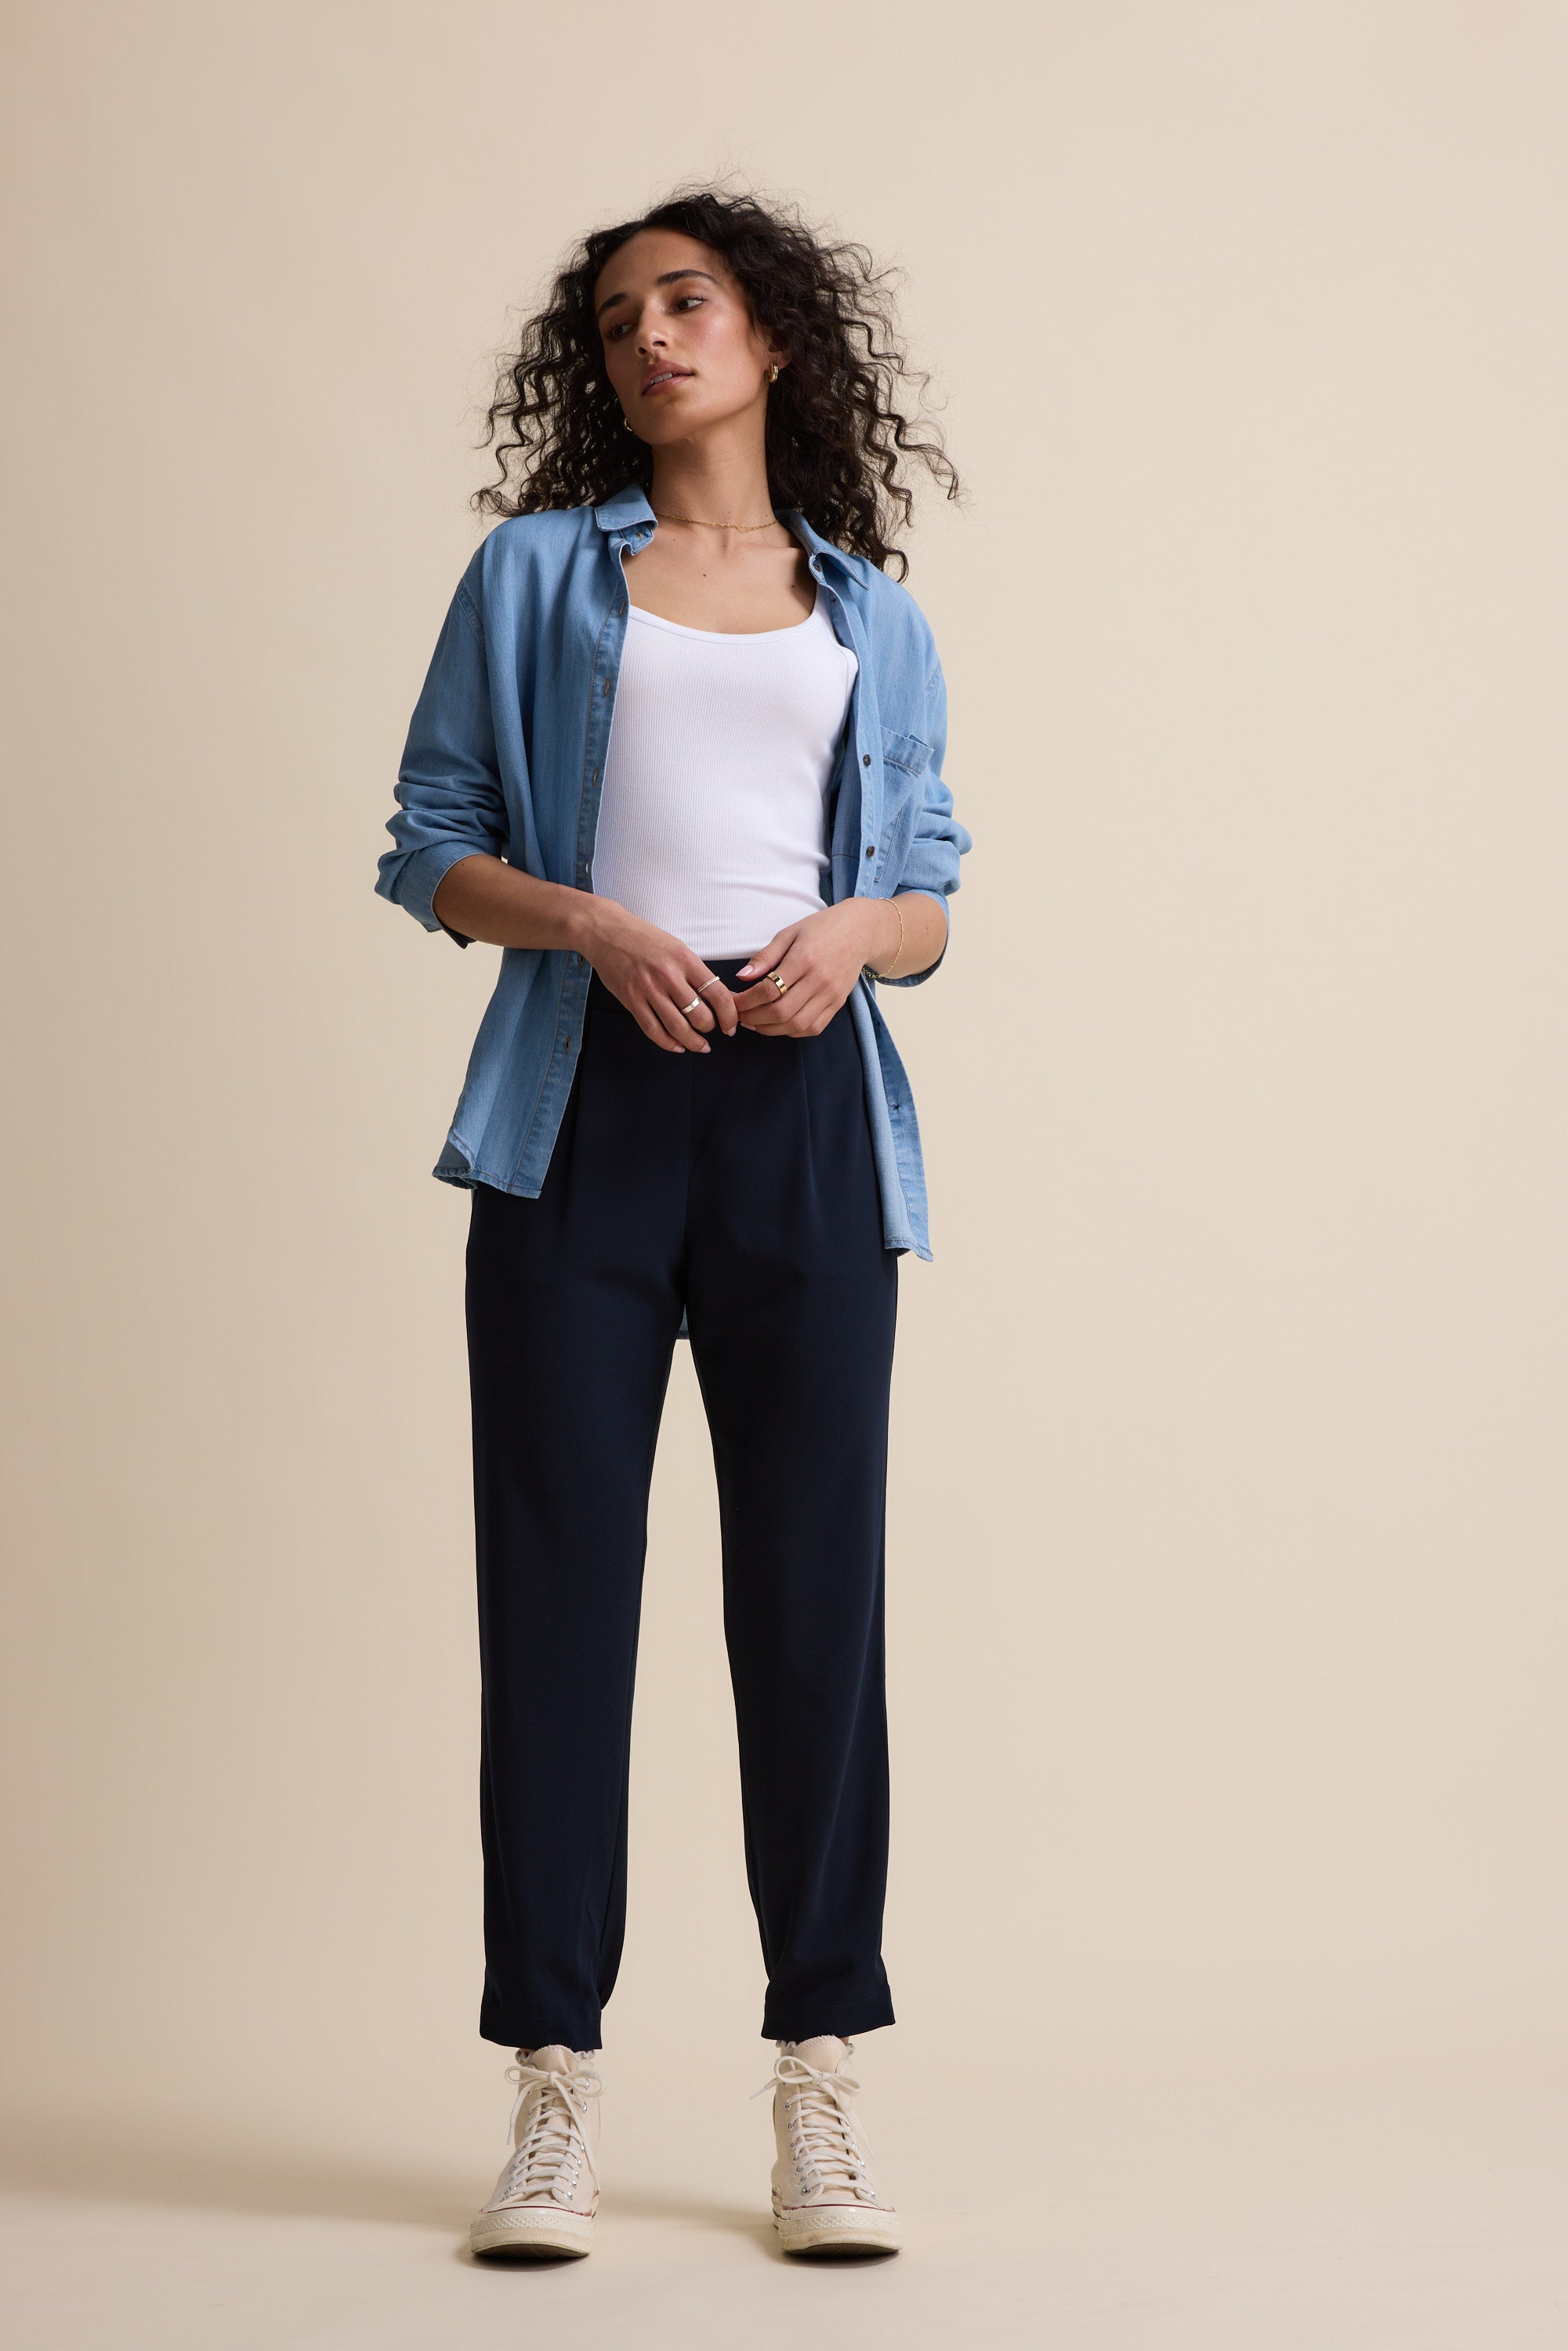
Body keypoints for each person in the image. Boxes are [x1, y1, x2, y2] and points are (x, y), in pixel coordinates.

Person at [375, 186, 971, 2261]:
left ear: (773, 336)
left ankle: (821, 2077)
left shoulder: (864, 608)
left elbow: (932, 888)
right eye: (618, 315)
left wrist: (859, 936)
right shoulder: (537, 576)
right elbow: (428, 845)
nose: (651, 337)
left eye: (687, 300)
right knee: (556, 1603)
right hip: (582, 1115)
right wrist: (587, 923)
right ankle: (553, 2089)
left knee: (814, 1606)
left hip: (805, 1117)